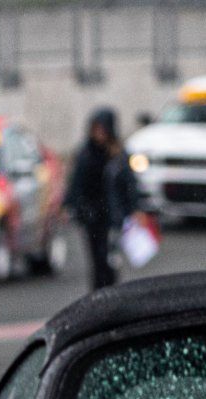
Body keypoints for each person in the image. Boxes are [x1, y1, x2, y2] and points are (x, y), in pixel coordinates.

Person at [63, 107, 142, 291]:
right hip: (91, 214)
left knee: (110, 258)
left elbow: (129, 184)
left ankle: (111, 292)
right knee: (97, 259)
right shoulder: (85, 153)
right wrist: (69, 205)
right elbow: (76, 182)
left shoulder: (118, 154)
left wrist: (135, 208)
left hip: (112, 215)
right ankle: (98, 293)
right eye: (96, 129)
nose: (99, 134)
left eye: (102, 129)